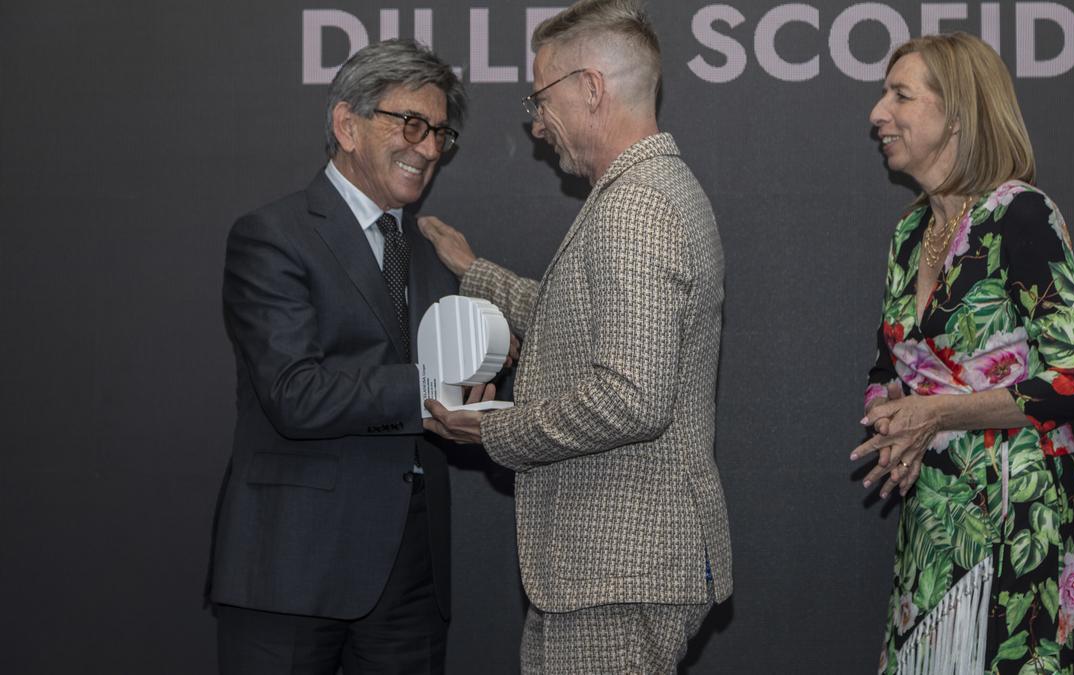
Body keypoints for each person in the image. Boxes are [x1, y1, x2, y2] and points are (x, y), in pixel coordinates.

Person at [418, 0, 732, 671]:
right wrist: (478, 273)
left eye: (541, 97)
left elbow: (631, 398)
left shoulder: (636, 206)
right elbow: (584, 316)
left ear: (591, 88)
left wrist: (493, 430)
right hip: (616, 573)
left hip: (615, 575)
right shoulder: (646, 191)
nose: (536, 125)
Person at [208, 39, 470, 674]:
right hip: (291, 570)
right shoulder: (272, 237)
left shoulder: (435, 251)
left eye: (440, 132)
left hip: (409, 577)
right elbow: (296, 394)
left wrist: (488, 369)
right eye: (411, 124)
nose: (429, 148)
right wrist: (435, 386)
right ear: (347, 124)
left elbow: (461, 375)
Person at [854, 32, 1074, 674]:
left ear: (958, 115)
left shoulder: (1020, 216)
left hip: (1015, 518)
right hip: (933, 524)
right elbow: (888, 370)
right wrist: (891, 420)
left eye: (900, 95)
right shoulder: (909, 235)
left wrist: (935, 415)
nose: (877, 113)